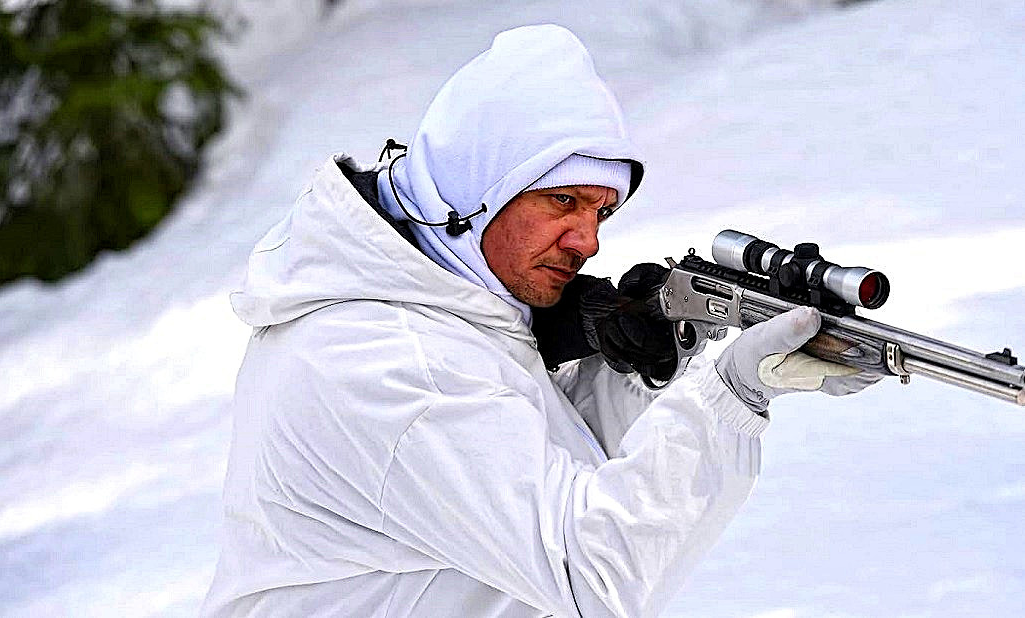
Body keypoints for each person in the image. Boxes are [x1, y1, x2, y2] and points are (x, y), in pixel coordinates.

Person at [202, 24, 879, 617]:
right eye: (563, 201)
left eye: (601, 212)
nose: (588, 242)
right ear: (474, 187)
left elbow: (535, 475)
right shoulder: (384, 357)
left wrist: (635, 374)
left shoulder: (444, 310)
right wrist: (730, 397)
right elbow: (591, 571)